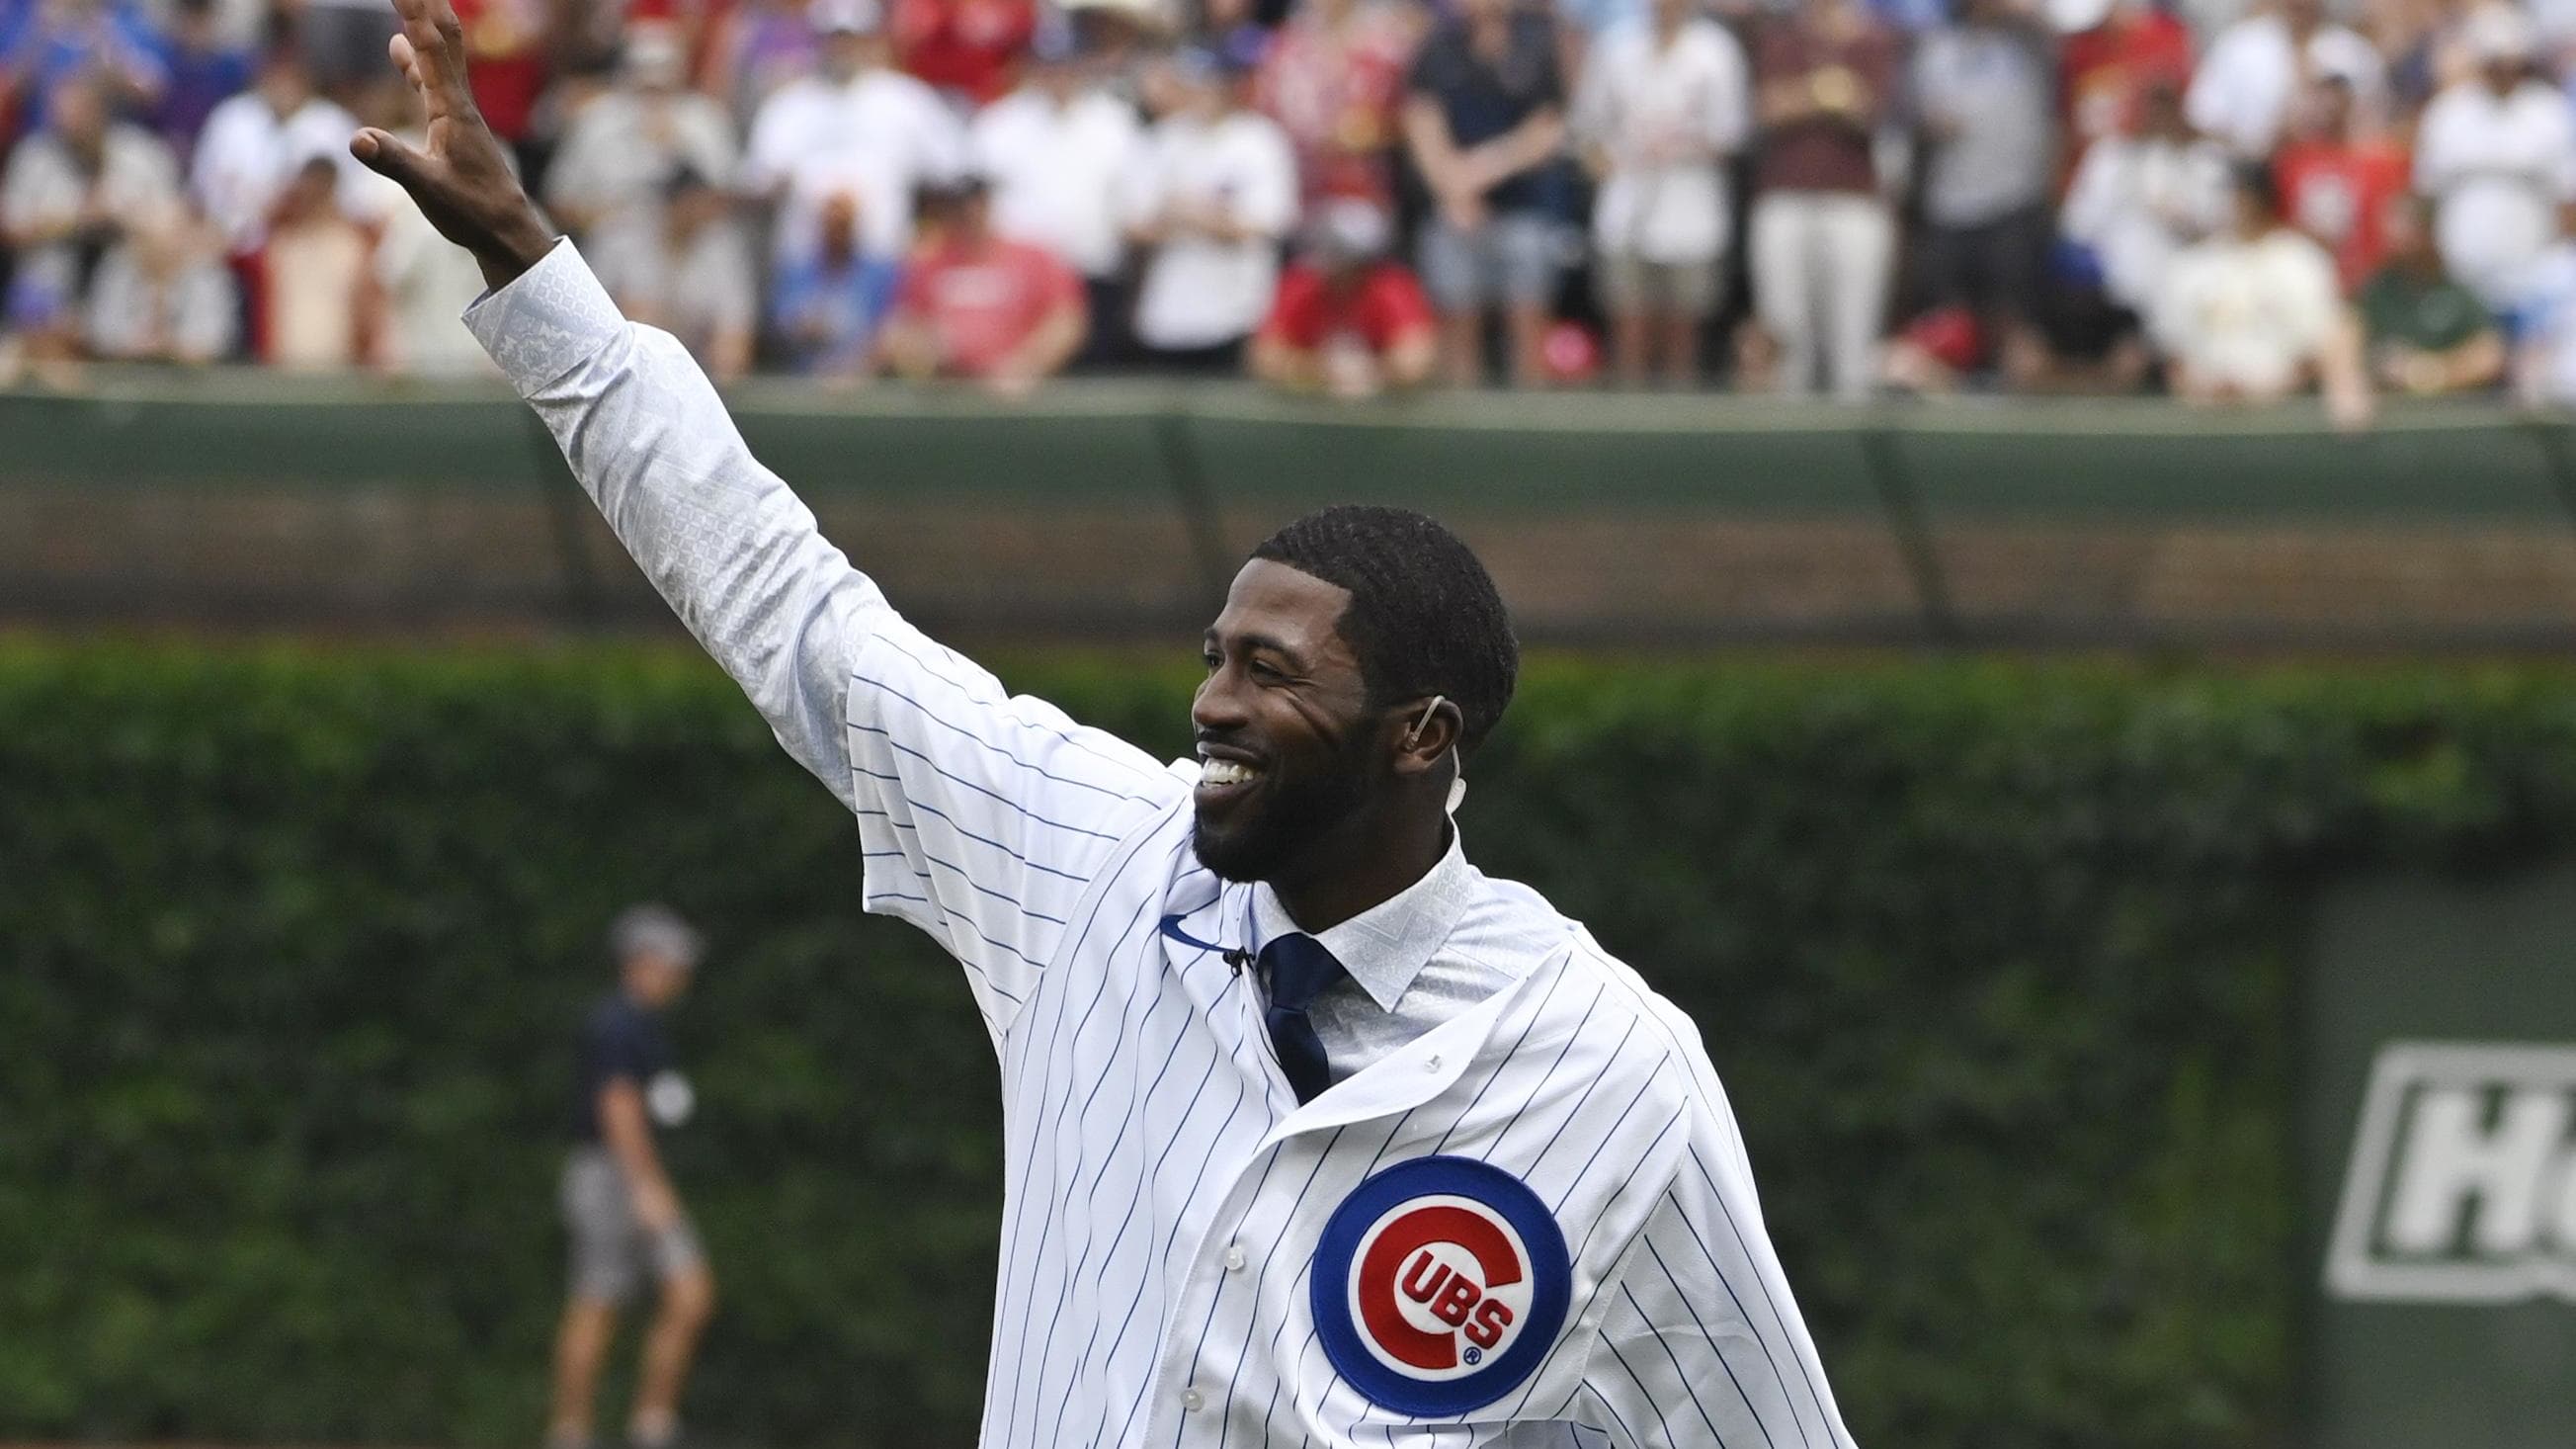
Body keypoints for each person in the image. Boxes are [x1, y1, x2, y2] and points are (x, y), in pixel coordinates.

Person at [349, 1, 1865, 1443]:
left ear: (1419, 734)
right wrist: (536, 270)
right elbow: (791, 607)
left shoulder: (1603, 1068)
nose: (1212, 700)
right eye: (1216, 653)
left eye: (1276, 672)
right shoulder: (1093, 854)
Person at [545, 905, 716, 1449]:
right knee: (599, 1300)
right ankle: (570, 1432)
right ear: (639, 963)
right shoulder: (618, 1024)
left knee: (688, 1294)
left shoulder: (643, 1025)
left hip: (635, 1176)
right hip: (613, 1178)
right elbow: (618, 1107)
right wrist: (645, 1186)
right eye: (670, 964)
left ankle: (651, 1426)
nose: (678, 976)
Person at [1572, 0, 1751, 387]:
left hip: (1692, 215)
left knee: (1682, 331)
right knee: (1628, 325)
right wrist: (1612, 163)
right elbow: (1588, 130)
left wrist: (1679, 145)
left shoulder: (1716, 50)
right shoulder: (1615, 46)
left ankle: (1678, 430)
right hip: (1625, 212)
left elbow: (1730, 133)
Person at [1401, 0, 1569, 387]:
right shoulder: (1437, 48)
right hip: (1454, 211)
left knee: (1528, 321)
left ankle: (1531, 434)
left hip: (1523, 209)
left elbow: (1547, 129)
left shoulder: (1536, 43)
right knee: (1458, 325)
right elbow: (1422, 122)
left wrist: (1478, 171)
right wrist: (1453, 189)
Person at [1745, 0, 1899, 399]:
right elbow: (1768, 108)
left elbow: (1871, 112)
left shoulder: (1874, 39)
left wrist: (1811, 97)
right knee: (1784, 340)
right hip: (1785, 199)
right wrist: (1823, 91)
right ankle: (1788, 452)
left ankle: (1854, 455)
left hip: (1853, 203)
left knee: (1853, 345)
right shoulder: (1782, 37)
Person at [741, 0, 964, 273]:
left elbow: (954, 175)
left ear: (870, 38)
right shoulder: (789, 105)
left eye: (850, 38)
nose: (841, 49)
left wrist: (929, 233)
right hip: (807, 264)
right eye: (833, 39)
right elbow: (758, 181)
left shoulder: (905, 99)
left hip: (884, 261)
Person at [969, 18, 1140, 367]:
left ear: (1082, 66)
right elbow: (977, 206)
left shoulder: (1115, 123)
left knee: (1091, 382)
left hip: (1092, 273)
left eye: (1067, 65)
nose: (1058, 75)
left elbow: (1132, 209)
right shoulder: (999, 124)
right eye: (1049, 65)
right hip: (1019, 283)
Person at [1120, 39, 1297, 373]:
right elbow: (1134, 227)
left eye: (1210, 82)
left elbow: (1263, 225)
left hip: (1237, 310)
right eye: (1194, 82)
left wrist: (1188, 212)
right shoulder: (1162, 140)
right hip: (1167, 312)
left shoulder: (1259, 140)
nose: (1201, 91)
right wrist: (1206, 218)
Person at [1907, 0, 2059, 388]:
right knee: (1948, 318)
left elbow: (2049, 33)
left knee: (2011, 316)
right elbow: (1914, 116)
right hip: (1949, 204)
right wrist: (1930, 126)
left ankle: (2016, 403)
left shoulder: (2026, 47)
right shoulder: (1936, 49)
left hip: (2012, 201)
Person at [2153, 160, 2371, 424]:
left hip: (2282, 418)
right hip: (2203, 418)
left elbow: (2322, 347)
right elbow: (2173, 353)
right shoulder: (2192, 264)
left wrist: (2265, 390)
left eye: (2239, 194)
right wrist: (2202, 389)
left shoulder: (2300, 261)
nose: (2230, 204)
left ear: (2258, 197)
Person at [0, 68, 179, 368]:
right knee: (39, 283)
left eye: (77, 112)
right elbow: (12, 229)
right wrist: (76, 215)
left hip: (125, 274)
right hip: (52, 275)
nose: (66, 122)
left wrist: (124, 213)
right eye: (58, 113)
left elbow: (173, 221)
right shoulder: (35, 156)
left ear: (100, 112)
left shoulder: (140, 152)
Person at [2411, 4, 2575, 311]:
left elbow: (2567, 199)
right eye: (2494, 63)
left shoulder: (2549, 113)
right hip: (2459, 276)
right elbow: (2426, 196)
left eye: (2509, 63)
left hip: (2533, 277)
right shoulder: (2448, 114)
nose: (2502, 72)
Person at [880, 173, 1086, 392]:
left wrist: (1026, 365)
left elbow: (1067, 320)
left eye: (974, 203)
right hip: (947, 395)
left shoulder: (1033, 258)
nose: (967, 213)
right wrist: (924, 356)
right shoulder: (927, 263)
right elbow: (903, 327)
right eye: (957, 206)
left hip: (1019, 396)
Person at [543, 23, 738, 251]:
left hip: (692, 250)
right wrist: (604, 217)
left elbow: (727, 196)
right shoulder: (597, 121)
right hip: (612, 249)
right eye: (644, 76)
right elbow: (559, 200)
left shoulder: (705, 120)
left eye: (662, 76)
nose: (652, 91)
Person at [1249, 197, 1435, 396]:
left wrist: (1369, 372)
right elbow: (1265, 358)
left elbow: (1415, 361)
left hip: (1382, 408)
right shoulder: (1301, 283)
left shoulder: (1391, 287)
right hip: (1308, 404)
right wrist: (1323, 370)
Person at [592, 163, 759, 384]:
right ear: (672, 204)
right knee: (640, 319)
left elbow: (736, 331)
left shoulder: (723, 248)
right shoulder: (620, 238)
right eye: (691, 203)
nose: (701, 212)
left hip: (696, 374)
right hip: (619, 371)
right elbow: (588, 319)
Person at [1254, 0, 1420, 212]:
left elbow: (1412, 118)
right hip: (1293, 190)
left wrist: (1372, 132)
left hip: (1362, 195)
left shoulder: (1386, 48)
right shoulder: (1284, 46)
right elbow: (1263, 116)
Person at [2186, 0, 2384, 160]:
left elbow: (2374, 133)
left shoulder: (2355, 55)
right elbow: (2204, 121)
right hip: (2251, 177)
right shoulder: (2240, 45)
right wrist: (2259, 150)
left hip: (2331, 179)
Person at [2355, 192, 2504, 396]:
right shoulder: (2377, 290)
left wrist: (2426, 373)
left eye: (2407, 228)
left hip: (2445, 413)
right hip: (2387, 412)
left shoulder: (2454, 291)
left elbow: (2488, 356)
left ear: (2428, 232)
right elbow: (2349, 338)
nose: (2396, 237)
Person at [2275, 73, 2410, 295]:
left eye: (2336, 104)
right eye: (2322, 105)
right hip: (2308, 282)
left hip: (2365, 282)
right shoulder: (2292, 163)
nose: (2329, 113)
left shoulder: (2381, 163)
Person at [770, 188, 902, 381]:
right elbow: (780, 324)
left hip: (862, 382)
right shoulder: (796, 271)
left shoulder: (879, 273)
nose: (836, 232)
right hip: (803, 380)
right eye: (830, 224)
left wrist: (852, 367)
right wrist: (806, 328)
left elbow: (889, 331)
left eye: (842, 225)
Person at [83, 195, 234, 362]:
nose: (146, 249)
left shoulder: (205, 275)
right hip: (125, 375)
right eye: (143, 240)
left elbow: (209, 342)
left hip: (192, 381)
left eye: (168, 241)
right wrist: (138, 346)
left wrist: (168, 347)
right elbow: (101, 335)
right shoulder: (117, 268)